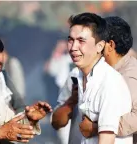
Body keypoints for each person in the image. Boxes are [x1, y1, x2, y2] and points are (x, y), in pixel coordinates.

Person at [52, 12, 132, 144]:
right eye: (71, 40)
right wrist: (71, 101)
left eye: (81, 41)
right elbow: (56, 122)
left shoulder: (109, 82)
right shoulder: (76, 76)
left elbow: (107, 139)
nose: (73, 47)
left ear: (100, 46)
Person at [79, 16, 137, 144]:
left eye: (98, 42)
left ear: (110, 45)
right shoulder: (107, 71)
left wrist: (97, 128)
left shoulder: (129, 76)